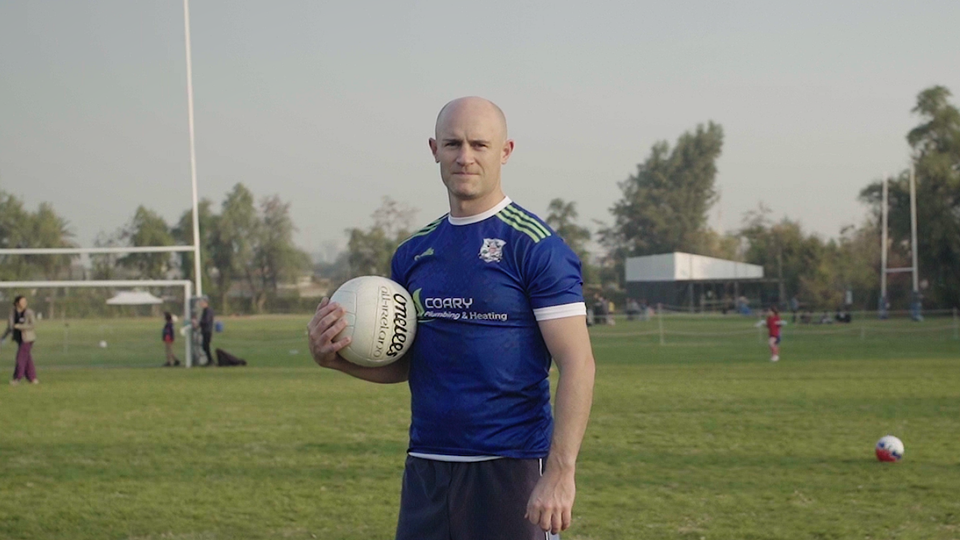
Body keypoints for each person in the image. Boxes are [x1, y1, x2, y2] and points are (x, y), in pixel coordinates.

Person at [308, 97, 596, 539]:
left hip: (512, 467)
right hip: (428, 466)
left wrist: (560, 474)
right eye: (453, 143)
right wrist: (337, 360)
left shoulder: (535, 246)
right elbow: (409, 363)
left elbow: (577, 363)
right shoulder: (413, 253)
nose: (465, 157)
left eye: (480, 144)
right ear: (434, 149)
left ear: (506, 151)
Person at [2, 296, 39, 385]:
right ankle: (32, 378)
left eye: (25, 301)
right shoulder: (13, 313)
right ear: (17, 303)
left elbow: (32, 325)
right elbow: (10, 327)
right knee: (27, 359)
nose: (24, 303)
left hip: (27, 339)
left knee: (20, 358)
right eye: (22, 302)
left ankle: (17, 378)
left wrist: (19, 326)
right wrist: (3, 337)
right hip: (19, 339)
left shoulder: (29, 312)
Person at [194, 297, 215, 367]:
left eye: (201, 303)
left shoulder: (208, 310)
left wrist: (198, 323)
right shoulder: (205, 310)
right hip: (205, 330)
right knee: (205, 346)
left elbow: (206, 320)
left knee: (205, 346)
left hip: (207, 330)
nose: (200, 304)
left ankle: (210, 360)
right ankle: (209, 360)